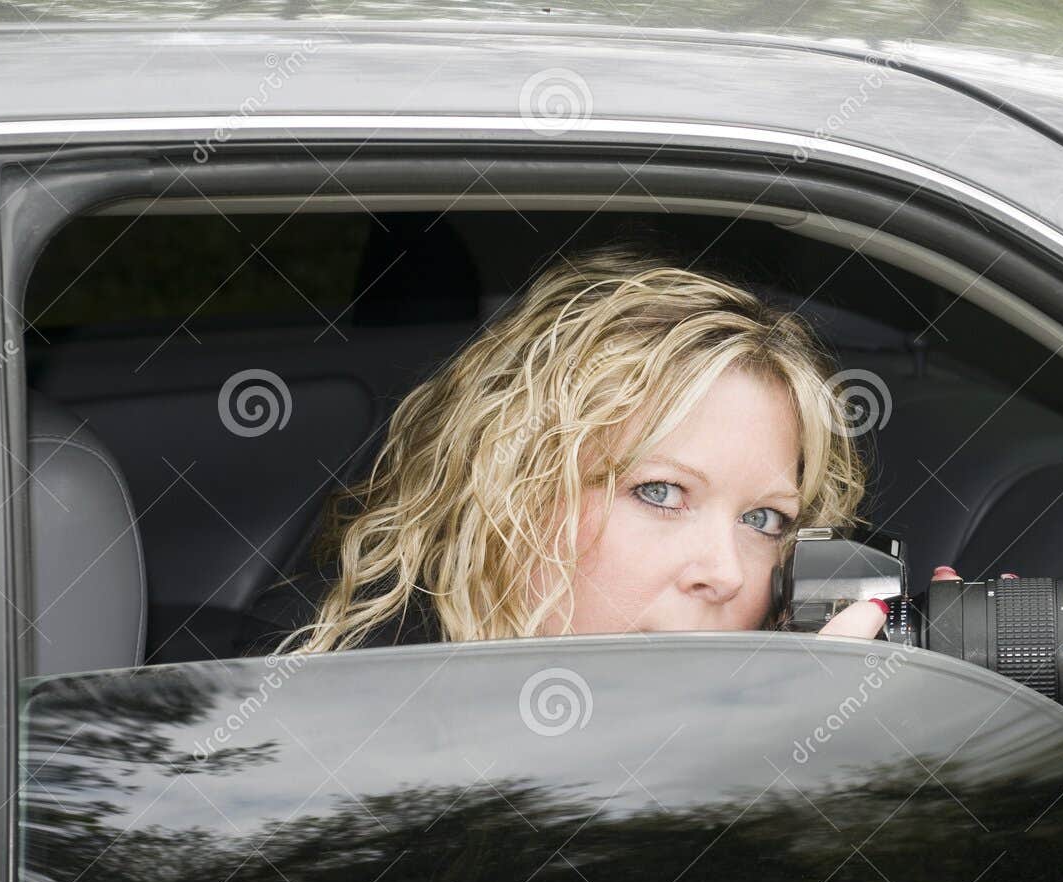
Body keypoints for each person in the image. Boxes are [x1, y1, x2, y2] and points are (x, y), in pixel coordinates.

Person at [237, 241, 961, 657]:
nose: (726, 574)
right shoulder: (341, 699)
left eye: (763, 520)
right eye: (660, 493)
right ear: (510, 486)